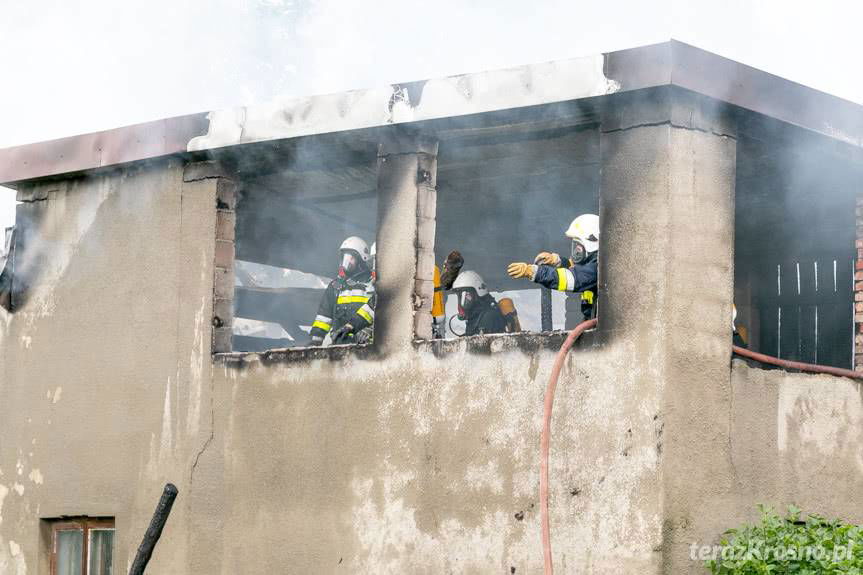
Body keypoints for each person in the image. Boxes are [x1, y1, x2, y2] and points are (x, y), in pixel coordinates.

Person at [506, 213, 599, 321]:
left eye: (577, 246)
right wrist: (558, 262)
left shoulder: (599, 267)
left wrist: (534, 272)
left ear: (590, 242)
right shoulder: (593, 266)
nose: (575, 251)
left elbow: (574, 279)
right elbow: (580, 272)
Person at [309, 236, 376, 346]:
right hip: (339, 345)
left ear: (361, 259)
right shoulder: (335, 286)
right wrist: (315, 341)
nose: (347, 262)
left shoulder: (372, 284)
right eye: (344, 258)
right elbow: (323, 317)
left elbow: (379, 312)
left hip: (365, 345)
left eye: (351, 258)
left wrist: (371, 330)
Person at [451, 270, 507, 336]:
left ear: (477, 294)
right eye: (460, 296)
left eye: (466, 295)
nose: (461, 302)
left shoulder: (490, 315)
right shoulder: (474, 318)